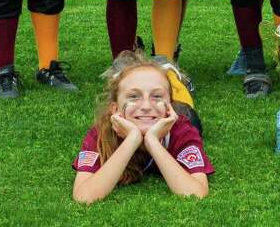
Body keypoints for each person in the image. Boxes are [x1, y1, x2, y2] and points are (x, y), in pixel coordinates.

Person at [72, 50, 210, 202]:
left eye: (157, 96)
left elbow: (196, 194)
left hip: (185, 113)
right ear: (115, 109)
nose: (146, 106)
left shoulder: (183, 130)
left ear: (169, 106)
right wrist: (132, 139)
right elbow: (83, 197)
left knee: (187, 106)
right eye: (133, 96)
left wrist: (152, 141)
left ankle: (172, 76)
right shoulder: (101, 133)